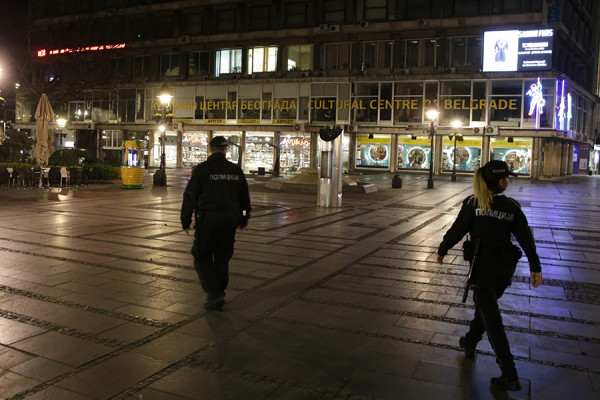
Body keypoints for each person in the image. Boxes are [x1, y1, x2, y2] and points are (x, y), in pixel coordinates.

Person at [436, 160, 542, 392]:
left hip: (482, 271)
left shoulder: (474, 204)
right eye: (507, 178)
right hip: (504, 272)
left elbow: (458, 230)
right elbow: (526, 238)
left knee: (492, 320)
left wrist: (443, 249)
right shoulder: (512, 207)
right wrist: (535, 267)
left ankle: (509, 374)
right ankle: (471, 341)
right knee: (485, 308)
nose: (509, 181)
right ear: (500, 181)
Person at [181, 136, 251, 311]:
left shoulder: (202, 170)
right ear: (225, 150)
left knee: (201, 256)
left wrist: (185, 220)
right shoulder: (235, 170)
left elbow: (190, 196)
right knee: (222, 257)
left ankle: (214, 293)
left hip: (208, 220)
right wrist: (244, 218)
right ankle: (219, 291)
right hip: (229, 221)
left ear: (210, 149)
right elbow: (244, 199)